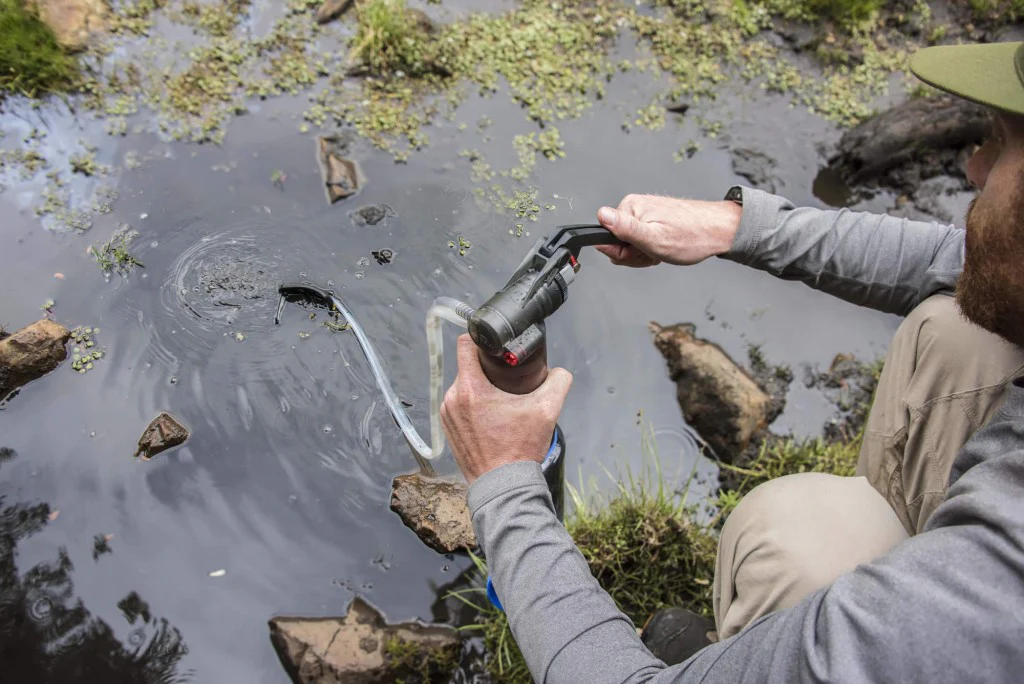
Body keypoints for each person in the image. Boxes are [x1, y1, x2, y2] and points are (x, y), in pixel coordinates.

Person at [440, 41, 1024, 683]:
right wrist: (733, 227)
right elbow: (958, 259)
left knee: (782, 538)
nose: (973, 168)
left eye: (999, 143)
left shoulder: (992, 586)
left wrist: (505, 481)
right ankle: (880, 551)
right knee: (957, 328)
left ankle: (769, 641)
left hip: (938, 632)